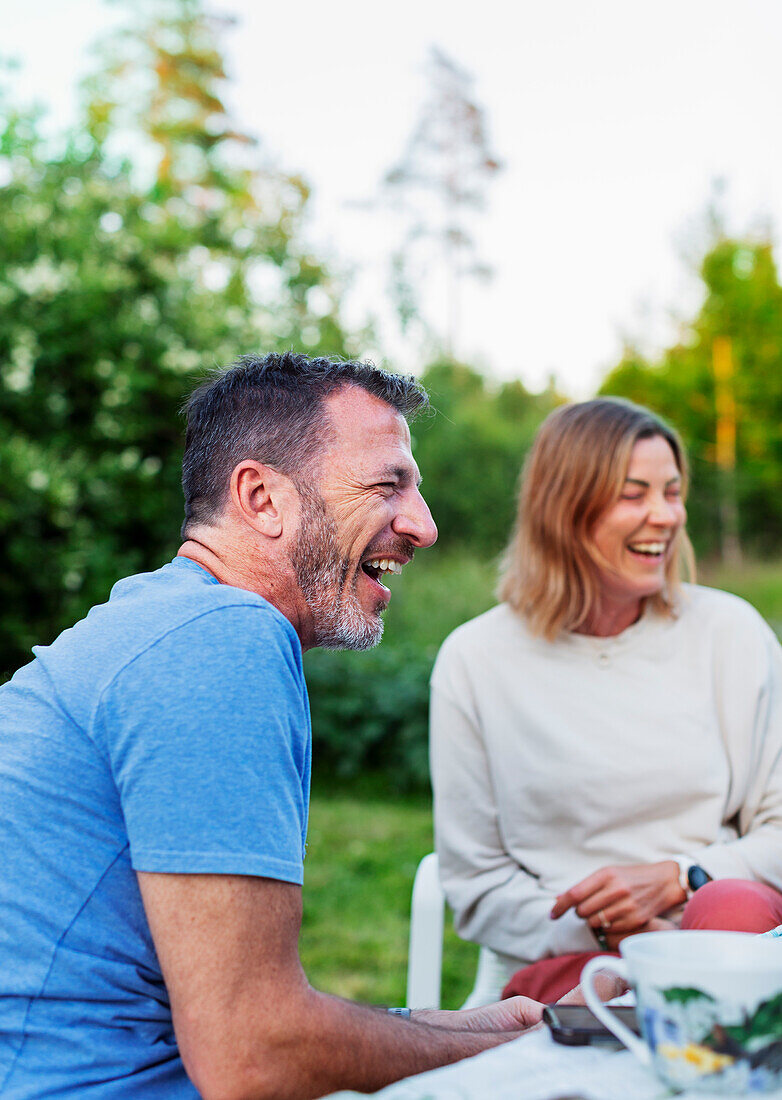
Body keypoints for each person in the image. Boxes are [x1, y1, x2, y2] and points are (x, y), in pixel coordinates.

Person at [0, 352, 544, 1100]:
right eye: (389, 484)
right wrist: (508, 1059)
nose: (425, 525)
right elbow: (253, 1055)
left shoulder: (165, 618)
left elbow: (255, 1023)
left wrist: (507, 1029)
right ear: (261, 498)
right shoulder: (218, 640)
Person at [430, 396, 782, 1005]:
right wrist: (610, 929)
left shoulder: (731, 633)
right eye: (633, 493)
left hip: (725, 934)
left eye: (672, 493)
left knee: (734, 908)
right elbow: (478, 885)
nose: (665, 515)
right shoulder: (475, 660)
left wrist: (681, 879)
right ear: (563, 508)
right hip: (569, 962)